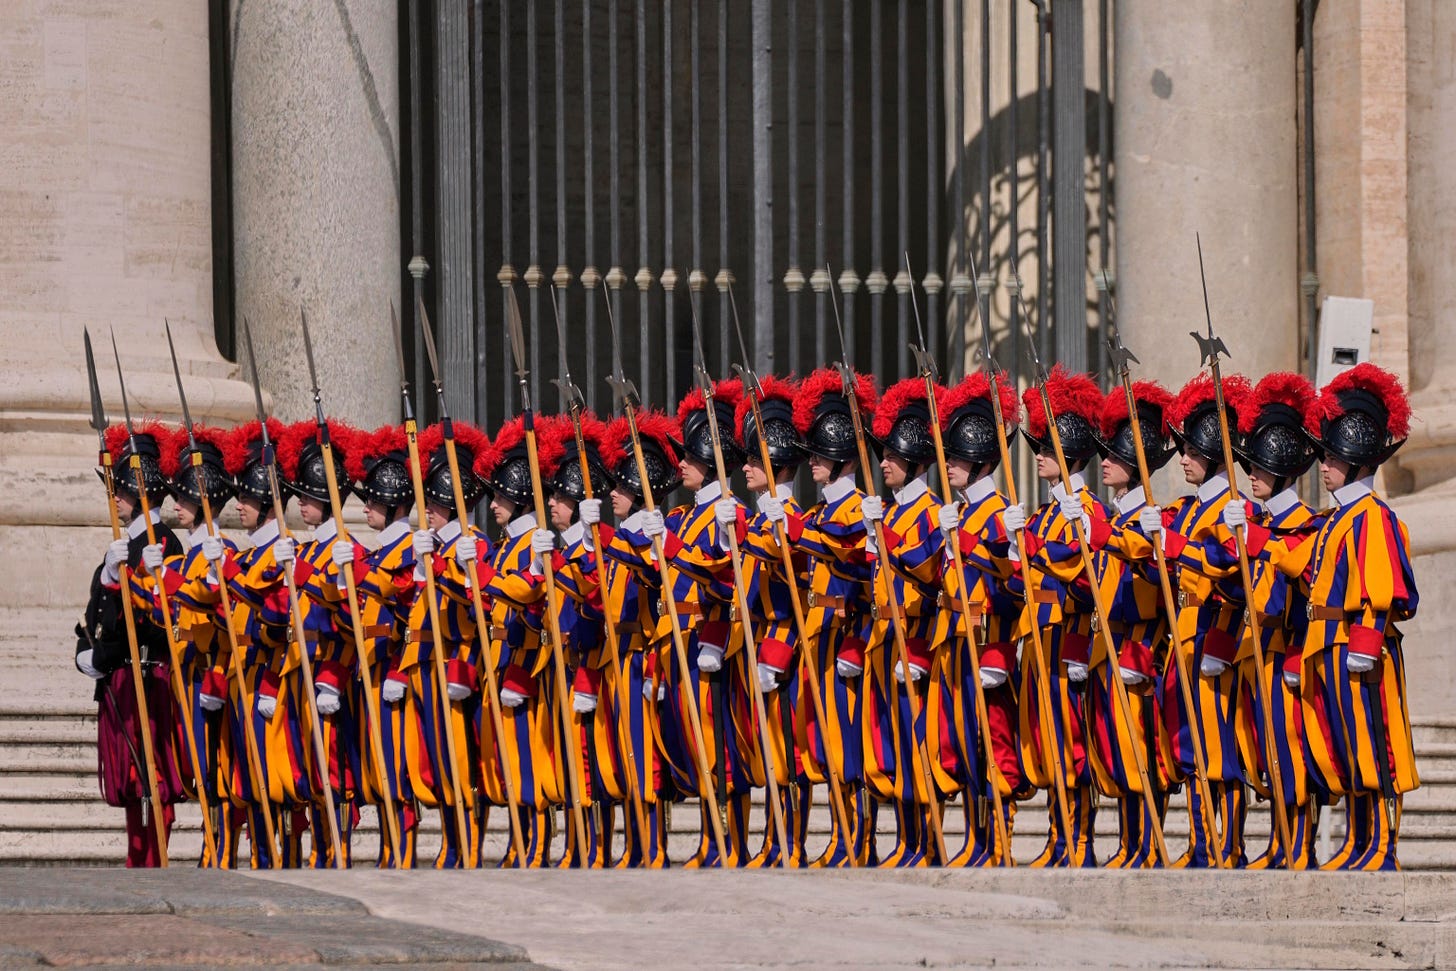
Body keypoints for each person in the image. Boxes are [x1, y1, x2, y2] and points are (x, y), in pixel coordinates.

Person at [1235, 362, 1418, 871]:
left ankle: (1379, 846)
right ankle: (1359, 844)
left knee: (1372, 746)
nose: (1325, 464)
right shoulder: (1340, 517)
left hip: (1357, 645)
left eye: (1335, 456)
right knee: (1346, 748)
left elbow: (1381, 588)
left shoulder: (1372, 516)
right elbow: (1306, 564)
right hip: (1327, 642)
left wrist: (1364, 640)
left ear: (1359, 461)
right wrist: (1262, 542)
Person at [1007, 366, 1108, 868]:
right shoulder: (1048, 514)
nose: (1040, 456)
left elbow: (1075, 569)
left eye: (1047, 449)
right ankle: (1056, 834)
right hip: (1039, 637)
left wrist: (1023, 544)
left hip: (1069, 638)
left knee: (1071, 742)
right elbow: (1027, 578)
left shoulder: (1085, 510)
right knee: (1046, 741)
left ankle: (1080, 839)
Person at [77, 422, 184, 867]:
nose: (114, 498)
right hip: (122, 674)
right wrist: (106, 578)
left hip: (147, 674)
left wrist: (103, 654)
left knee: (150, 781)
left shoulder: (162, 543)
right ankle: (137, 858)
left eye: (120, 490)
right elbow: (97, 616)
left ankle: (150, 861)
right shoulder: (126, 545)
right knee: (132, 784)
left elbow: (157, 622)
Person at [930, 371, 1023, 867]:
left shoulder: (999, 513)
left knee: (994, 743)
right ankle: (976, 839)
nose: (952, 466)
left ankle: (1000, 841)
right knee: (964, 743)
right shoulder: (961, 512)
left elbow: (1013, 587)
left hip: (988, 643)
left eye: (960, 458)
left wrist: (980, 544)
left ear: (983, 460)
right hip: (955, 642)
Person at [1084, 380, 1178, 868]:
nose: (1103, 463)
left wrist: (1108, 538)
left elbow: (1150, 567)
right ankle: (1128, 842)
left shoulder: (1146, 518)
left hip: (1139, 646)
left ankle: (1148, 845)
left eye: (1114, 457)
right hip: (1107, 645)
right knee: (1113, 749)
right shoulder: (1113, 517)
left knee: (1142, 750)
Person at [789, 368, 877, 867]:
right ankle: (842, 836)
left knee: (850, 745)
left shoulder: (854, 512)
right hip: (819, 636)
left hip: (848, 635)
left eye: (821, 455)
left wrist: (799, 536)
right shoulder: (820, 514)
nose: (813, 463)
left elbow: (855, 562)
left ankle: (857, 841)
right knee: (824, 744)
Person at [861, 376, 947, 867]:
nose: (884, 463)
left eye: (893, 456)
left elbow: (934, 573)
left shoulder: (931, 511)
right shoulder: (891, 511)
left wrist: (886, 541)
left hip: (916, 637)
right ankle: (907, 841)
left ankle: (927, 844)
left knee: (919, 750)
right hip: (885, 637)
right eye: (882, 454)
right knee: (892, 747)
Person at [401, 420, 492, 868]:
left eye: (437, 504)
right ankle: (451, 842)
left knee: (461, 759)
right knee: (435, 759)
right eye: (428, 503)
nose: (430, 511)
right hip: (424, 661)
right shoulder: (430, 547)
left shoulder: (472, 544)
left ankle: (469, 844)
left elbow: (476, 600)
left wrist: (437, 566)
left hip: (457, 662)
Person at [478, 415, 569, 867]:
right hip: (500, 656)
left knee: (528, 756)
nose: (493, 504)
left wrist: (480, 576)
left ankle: (536, 842)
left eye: (499, 496)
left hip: (527, 659)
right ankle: (518, 839)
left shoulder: (534, 541)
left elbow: (527, 590)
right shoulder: (505, 543)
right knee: (506, 757)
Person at [331, 423, 422, 867]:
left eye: (375, 501)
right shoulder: (375, 552)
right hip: (366, 669)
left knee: (396, 767)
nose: (366, 507)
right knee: (373, 767)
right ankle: (388, 849)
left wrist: (401, 673)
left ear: (395, 505)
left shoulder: (406, 548)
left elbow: (409, 613)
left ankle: (402, 850)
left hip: (393, 671)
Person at [598, 409, 684, 867]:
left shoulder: (653, 536)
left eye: (621, 487)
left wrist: (634, 546)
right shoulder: (623, 537)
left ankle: (653, 846)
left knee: (644, 754)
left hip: (642, 655)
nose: (613, 494)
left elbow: (659, 586)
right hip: (616, 655)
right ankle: (634, 844)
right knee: (622, 753)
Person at [734, 375, 812, 868]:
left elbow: (790, 585)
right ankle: (771, 839)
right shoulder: (763, 516)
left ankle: (792, 841)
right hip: (759, 641)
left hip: (784, 644)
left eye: (752, 460)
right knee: (770, 752)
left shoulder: (789, 516)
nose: (744, 468)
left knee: (790, 752)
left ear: (775, 464)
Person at [278, 419, 361, 866]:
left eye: (309, 498)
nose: (302, 505)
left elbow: (354, 623)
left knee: (334, 769)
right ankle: (314, 849)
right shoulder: (305, 550)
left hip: (329, 673)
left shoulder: (345, 550)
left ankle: (338, 850)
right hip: (298, 669)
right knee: (305, 765)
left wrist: (333, 677)